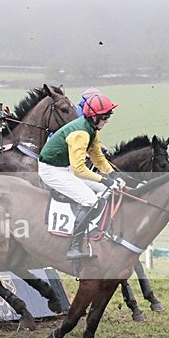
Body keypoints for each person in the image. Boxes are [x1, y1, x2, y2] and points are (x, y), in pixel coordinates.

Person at [38, 93, 125, 260]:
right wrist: (105, 179)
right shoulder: (81, 133)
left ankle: (94, 229)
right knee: (90, 200)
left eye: (109, 116)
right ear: (94, 117)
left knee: (106, 191)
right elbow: (79, 170)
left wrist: (113, 174)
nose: (107, 120)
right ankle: (74, 246)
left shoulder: (92, 129)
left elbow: (97, 157)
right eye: (105, 116)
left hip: (65, 168)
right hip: (52, 170)